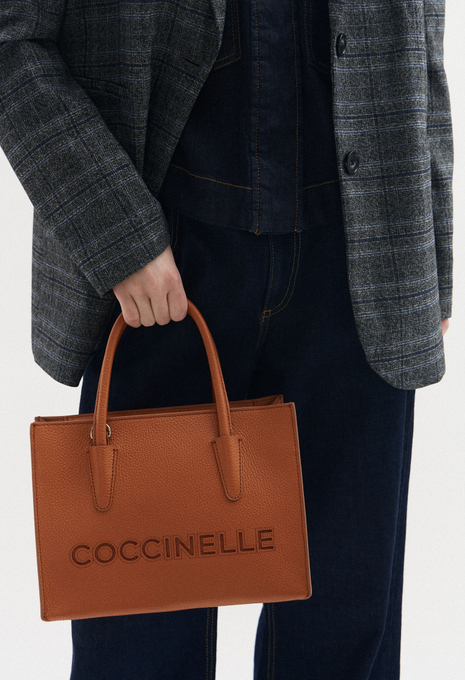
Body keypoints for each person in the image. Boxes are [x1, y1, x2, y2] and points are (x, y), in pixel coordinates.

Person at [0, 1, 453, 678]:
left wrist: (430, 251)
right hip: (161, 279)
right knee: (136, 647)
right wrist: (117, 236)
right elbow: (11, 42)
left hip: (360, 271)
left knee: (343, 640)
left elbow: (420, 30)